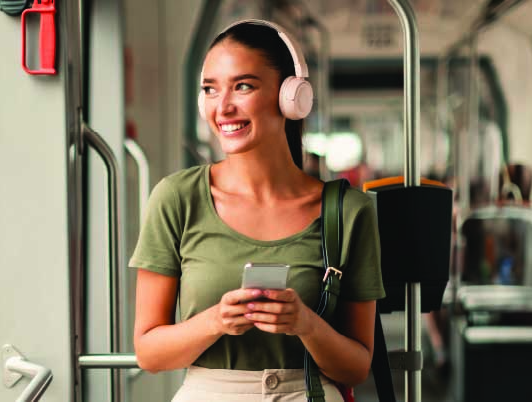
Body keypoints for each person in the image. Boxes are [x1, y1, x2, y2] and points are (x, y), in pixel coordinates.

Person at [129, 20, 385, 402]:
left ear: (291, 96)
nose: (223, 106)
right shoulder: (176, 198)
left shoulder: (349, 211)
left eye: (243, 86)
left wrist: (305, 324)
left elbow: (356, 367)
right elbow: (148, 352)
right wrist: (215, 321)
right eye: (210, 90)